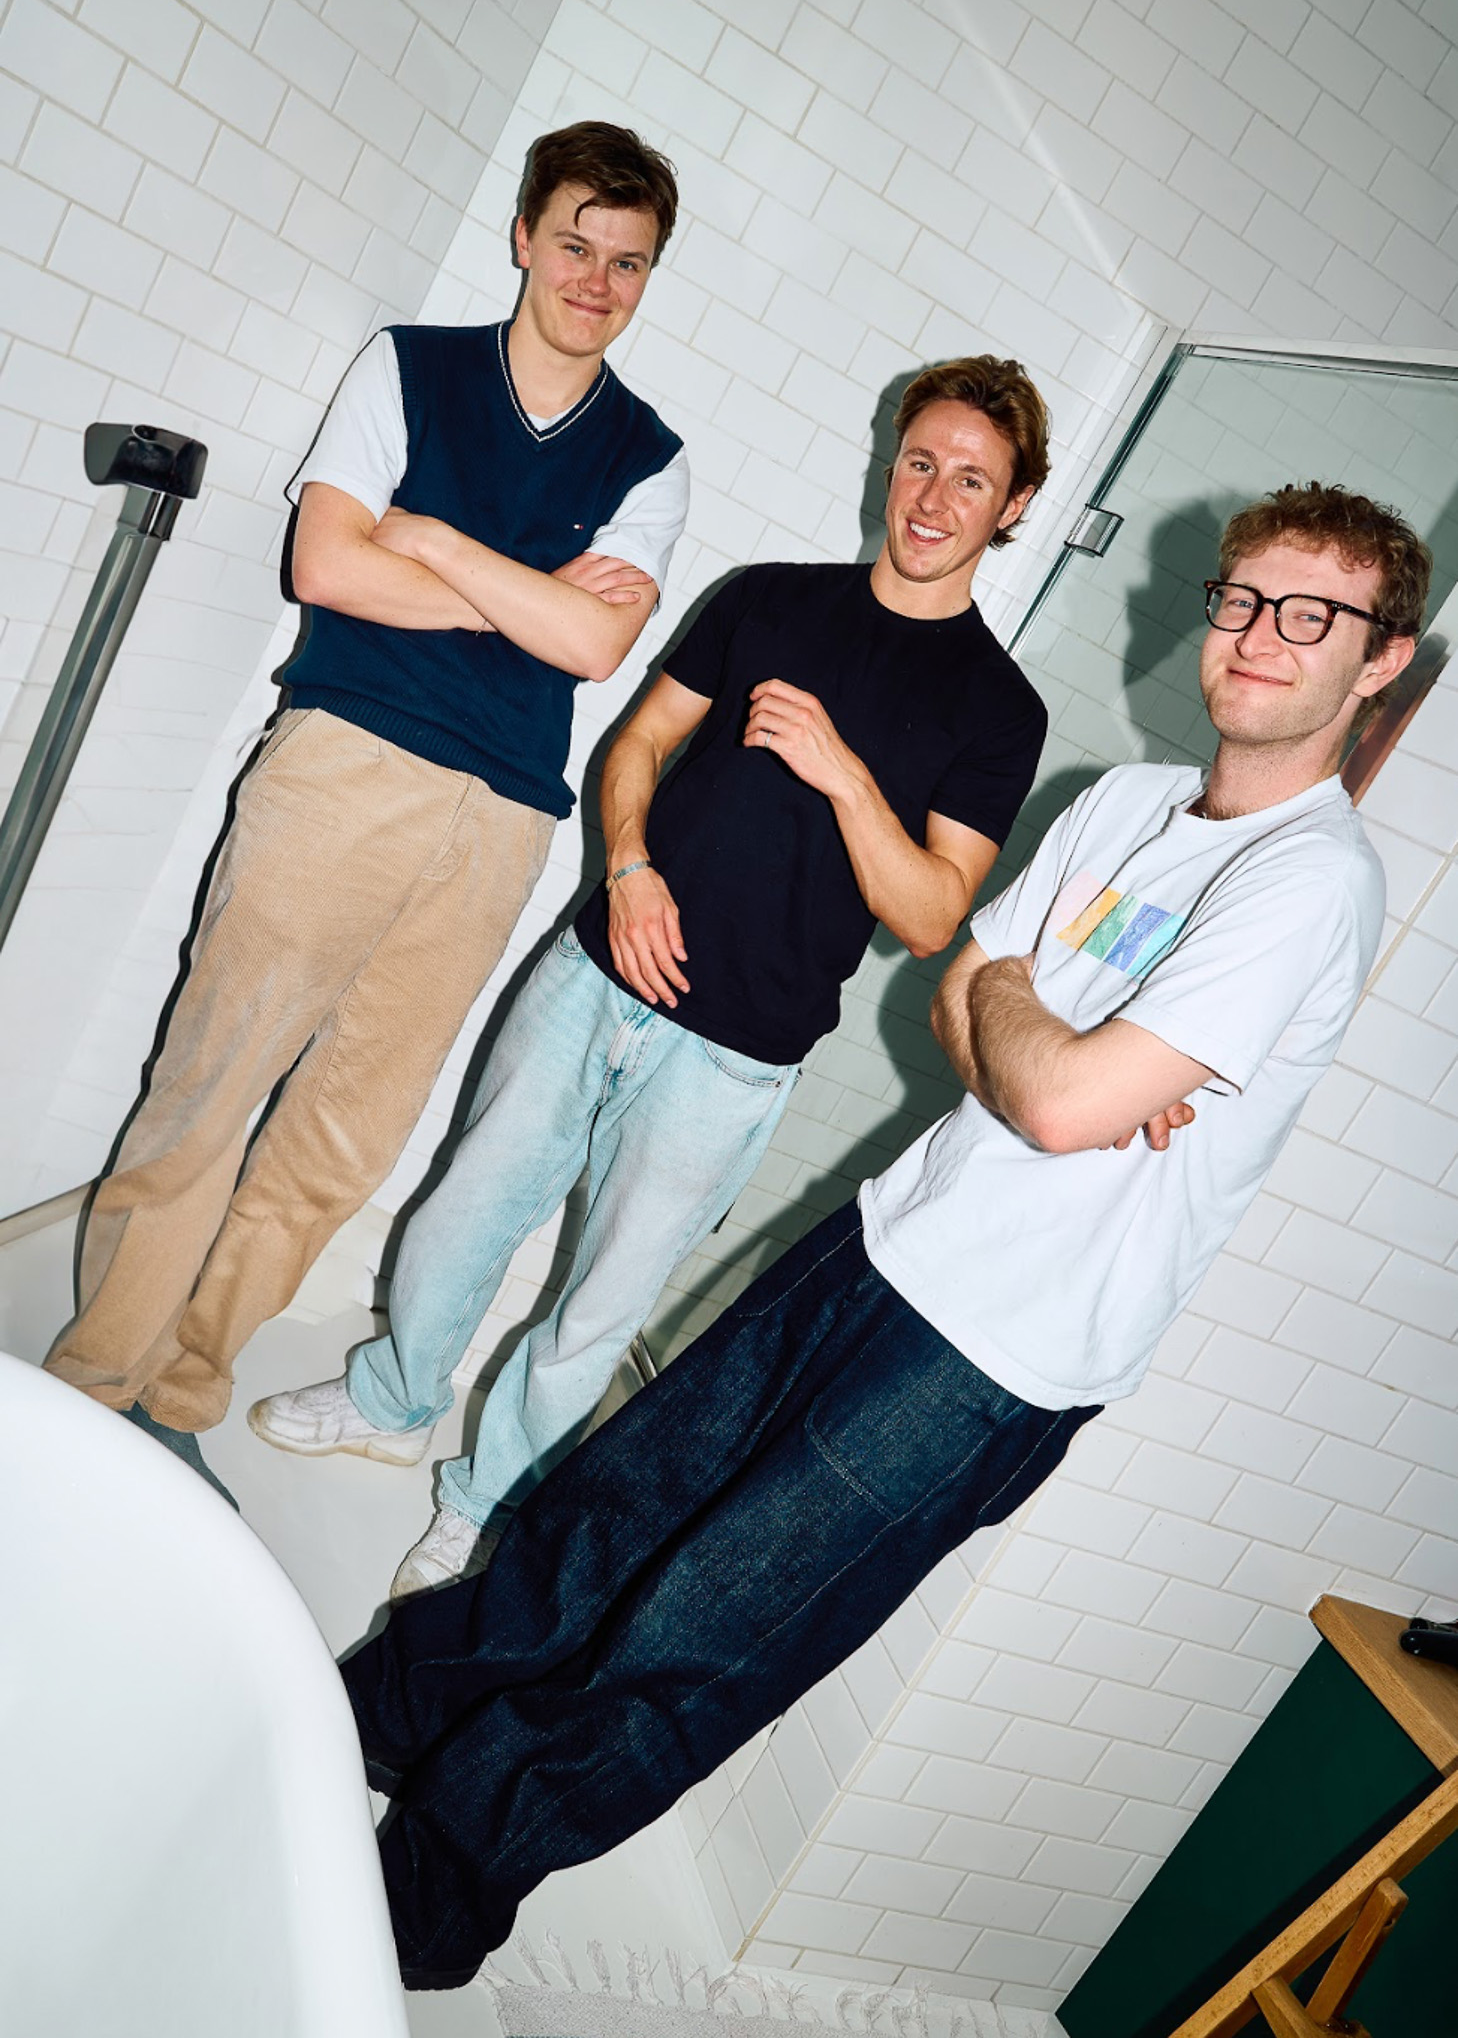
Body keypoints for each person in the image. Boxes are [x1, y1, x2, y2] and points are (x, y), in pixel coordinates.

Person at [338, 481, 1429, 1989]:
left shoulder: (1311, 881)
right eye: (1242, 597)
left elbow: (1045, 1088)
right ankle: (374, 1716)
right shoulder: (1124, 803)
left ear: (1380, 659)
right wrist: (1046, 1038)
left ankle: (414, 1892)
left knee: (697, 1637)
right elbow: (957, 1003)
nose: (1258, 634)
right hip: (887, 1235)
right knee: (612, 1503)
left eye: (1312, 615)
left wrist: (1032, 1028)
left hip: (994, 1355)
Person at [251, 355, 1054, 1598]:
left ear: (1014, 505)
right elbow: (640, 742)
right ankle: (393, 1398)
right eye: (919, 462)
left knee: (598, 1306)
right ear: (890, 464)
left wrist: (842, 771)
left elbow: (931, 911)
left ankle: (479, 1507)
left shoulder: (999, 707)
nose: (933, 497)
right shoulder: (768, 597)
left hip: (741, 1049)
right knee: (465, 1207)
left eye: (971, 479)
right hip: (597, 971)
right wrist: (626, 867)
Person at [44, 122, 687, 1450]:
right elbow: (326, 568)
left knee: (347, 1136)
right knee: (212, 1081)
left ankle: (182, 1391)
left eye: (625, 262)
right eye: (574, 244)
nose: (595, 280)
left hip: (501, 820)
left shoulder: (649, 455)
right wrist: (529, 600)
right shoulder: (409, 369)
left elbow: (593, 646)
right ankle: (92, 1382)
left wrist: (437, 541)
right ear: (524, 238)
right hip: (345, 764)